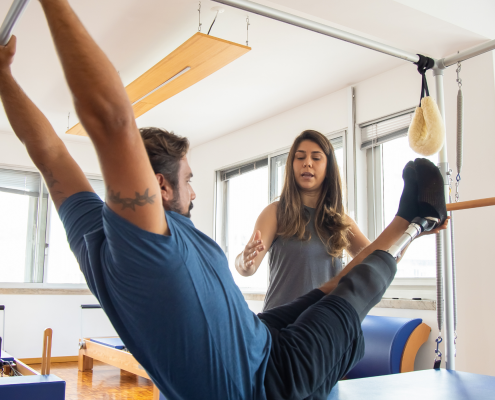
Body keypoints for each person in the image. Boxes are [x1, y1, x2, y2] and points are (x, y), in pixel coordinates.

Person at [0, 1, 447, 399]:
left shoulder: (91, 230)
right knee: (350, 294)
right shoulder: (143, 242)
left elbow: (50, 152)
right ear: (160, 186)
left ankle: (412, 218)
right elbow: (111, 120)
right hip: (268, 381)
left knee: (326, 290)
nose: (195, 191)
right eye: (189, 179)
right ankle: (414, 222)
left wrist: (3, 79)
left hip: (258, 336)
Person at [236, 130, 370, 310]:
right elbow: (247, 268)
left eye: (316, 158)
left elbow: (380, 258)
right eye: (300, 158)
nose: (307, 163)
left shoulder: (341, 222)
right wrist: (243, 262)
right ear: (292, 165)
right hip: (282, 328)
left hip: (323, 327)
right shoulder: (275, 213)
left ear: (328, 168)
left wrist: (412, 228)